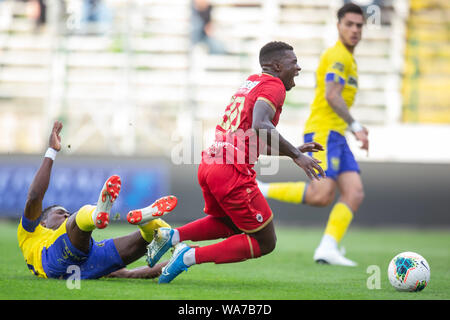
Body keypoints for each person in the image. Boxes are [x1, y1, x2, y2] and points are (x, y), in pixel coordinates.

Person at [146, 41, 325, 283]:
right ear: (276, 65)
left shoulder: (252, 82)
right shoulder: (274, 86)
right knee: (265, 241)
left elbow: (253, 135)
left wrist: (292, 150)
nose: (298, 67)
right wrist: (297, 155)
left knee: (228, 222)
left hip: (211, 162)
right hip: (230, 171)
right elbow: (261, 125)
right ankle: (188, 256)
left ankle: (172, 236)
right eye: (293, 63)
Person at [257, 3, 369, 266]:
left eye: (359, 25)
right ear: (338, 25)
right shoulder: (338, 56)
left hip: (337, 134)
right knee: (321, 195)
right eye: (349, 24)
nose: (354, 30)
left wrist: (350, 128)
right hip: (324, 131)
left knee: (354, 193)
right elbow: (332, 95)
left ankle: (328, 247)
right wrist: (356, 126)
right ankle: (262, 189)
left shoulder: (348, 58)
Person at [17, 121, 178, 279]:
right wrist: (51, 151)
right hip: (53, 259)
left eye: (66, 213)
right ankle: (96, 215)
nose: (65, 215)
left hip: (89, 262)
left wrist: (178, 260)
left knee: (152, 237)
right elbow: (34, 197)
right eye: (60, 213)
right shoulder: (32, 233)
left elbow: (133, 273)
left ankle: (148, 224)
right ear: (43, 222)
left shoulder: (85, 248)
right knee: (79, 217)